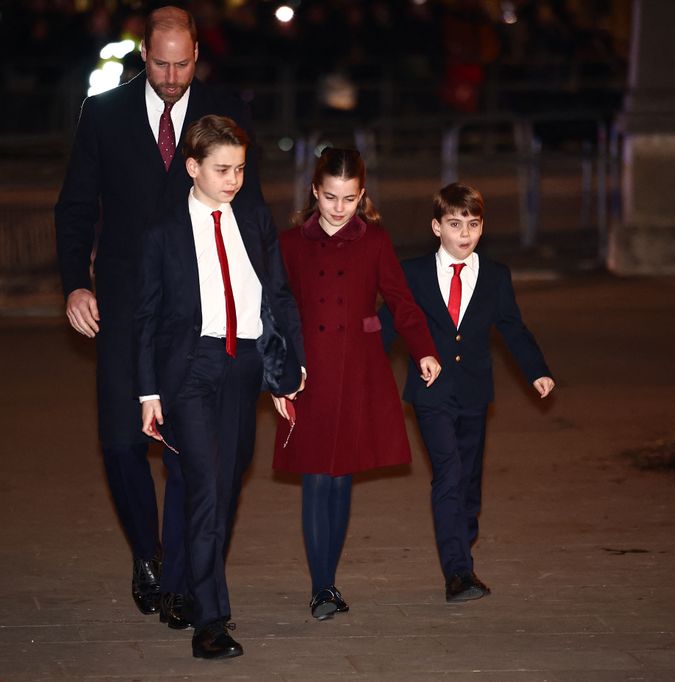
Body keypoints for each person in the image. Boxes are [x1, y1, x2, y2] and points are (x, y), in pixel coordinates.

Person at [54, 6, 264, 629]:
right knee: (120, 441)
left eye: (183, 63)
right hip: (120, 305)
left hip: (195, 311)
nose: (171, 78)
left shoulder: (225, 110)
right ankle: (148, 555)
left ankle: (182, 578)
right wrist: (74, 285)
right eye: (160, 63)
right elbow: (74, 207)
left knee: (186, 450)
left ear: (198, 53)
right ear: (142, 52)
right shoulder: (106, 112)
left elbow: (247, 208)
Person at [136, 114, 304, 659]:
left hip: (245, 366)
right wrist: (148, 393)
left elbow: (276, 297)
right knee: (207, 489)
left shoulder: (254, 218)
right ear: (193, 168)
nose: (233, 179)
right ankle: (212, 620)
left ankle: (180, 588)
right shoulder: (163, 233)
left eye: (240, 169)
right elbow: (147, 319)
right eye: (222, 169)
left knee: (226, 490)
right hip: (192, 370)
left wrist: (285, 369)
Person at [271, 148, 441, 620]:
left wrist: (424, 349)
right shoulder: (290, 244)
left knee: (341, 476)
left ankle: (327, 581)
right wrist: (277, 371)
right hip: (307, 373)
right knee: (314, 477)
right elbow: (274, 311)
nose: (339, 208)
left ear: (362, 195)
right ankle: (320, 586)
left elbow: (402, 302)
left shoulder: (376, 242)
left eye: (348, 198)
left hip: (357, 370)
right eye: (330, 197)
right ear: (314, 192)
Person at [379, 182, 555, 602]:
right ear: (437, 227)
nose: (464, 233)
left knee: (469, 483)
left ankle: (462, 539)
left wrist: (537, 371)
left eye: (472, 225)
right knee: (449, 475)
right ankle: (458, 572)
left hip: (475, 392)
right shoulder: (414, 273)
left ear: (482, 228)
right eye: (455, 224)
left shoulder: (495, 276)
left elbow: (512, 327)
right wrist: (354, 368)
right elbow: (390, 325)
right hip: (431, 393)